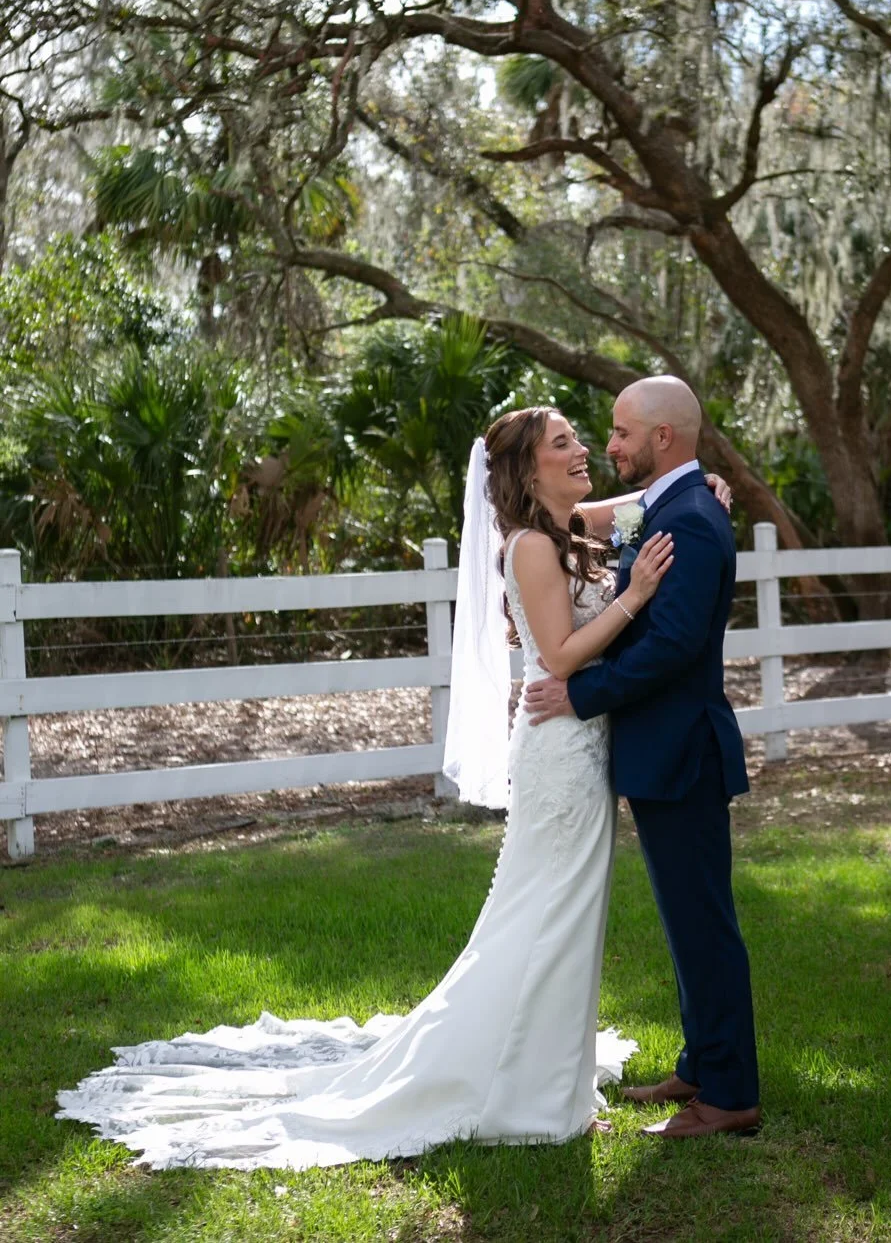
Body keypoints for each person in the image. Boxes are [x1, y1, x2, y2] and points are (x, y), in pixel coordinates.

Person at [55, 405, 730, 1169]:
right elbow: (564, 656)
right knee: (547, 912)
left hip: (580, 745)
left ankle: (550, 1080)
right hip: (561, 750)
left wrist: (695, 484)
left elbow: (634, 505)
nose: (585, 451)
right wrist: (636, 593)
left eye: (583, 438)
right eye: (565, 441)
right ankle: (530, 1094)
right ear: (528, 467)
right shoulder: (534, 545)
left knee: (565, 913)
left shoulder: (564, 524)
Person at [524, 376, 760, 1138]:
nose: (609, 444)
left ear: (663, 437)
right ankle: (701, 1063)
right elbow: (588, 526)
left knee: (704, 924)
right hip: (664, 751)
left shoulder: (689, 520)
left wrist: (582, 693)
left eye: (622, 432)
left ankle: (729, 1095)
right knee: (686, 920)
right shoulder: (667, 508)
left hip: (682, 750)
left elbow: (672, 646)